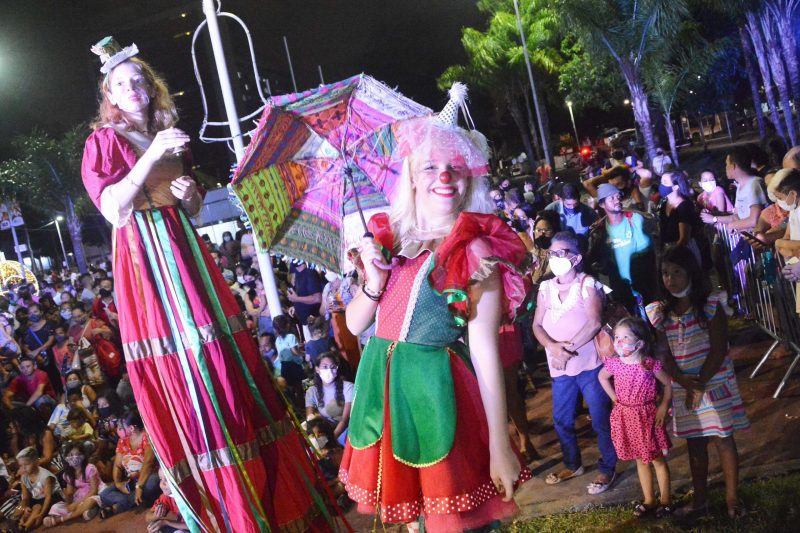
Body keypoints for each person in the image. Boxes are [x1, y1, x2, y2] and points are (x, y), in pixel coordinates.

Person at [81, 37, 329, 531]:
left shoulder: (168, 134)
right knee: (185, 357)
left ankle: (254, 485)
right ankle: (210, 499)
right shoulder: (104, 142)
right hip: (146, 256)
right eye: (121, 84)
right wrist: (151, 157)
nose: (132, 89)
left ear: (151, 87)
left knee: (218, 354)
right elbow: (113, 209)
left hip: (184, 247)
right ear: (109, 95)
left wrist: (191, 194)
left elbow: (191, 207)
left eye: (138, 80)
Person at [340, 97, 531, 531]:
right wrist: (374, 278)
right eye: (430, 166)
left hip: (436, 394)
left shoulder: (473, 249)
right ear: (410, 174)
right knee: (418, 521)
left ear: (469, 176)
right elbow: (355, 324)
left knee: (454, 520)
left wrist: (499, 445)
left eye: (455, 167)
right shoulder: (391, 238)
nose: (444, 176)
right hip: (386, 394)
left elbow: (485, 353)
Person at [646, 245, 750, 520]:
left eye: (677, 272)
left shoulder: (710, 305)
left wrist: (700, 382)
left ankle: (732, 498)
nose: (670, 279)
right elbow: (663, 352)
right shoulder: (661, 313)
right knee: (694, 443)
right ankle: (700, 500)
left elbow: (718, 349)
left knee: (723, 439)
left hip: (713, 384)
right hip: (685, 386)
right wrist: (681, 380)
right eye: (665, 273)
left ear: (691, 272)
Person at [532, 231, 617, 494]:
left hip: (590, 368)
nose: (555, 257)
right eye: (552, 253)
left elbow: (594, 322)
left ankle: (607, 468)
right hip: (560, 369)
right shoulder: (545, 288)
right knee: (562, 420)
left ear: (576, 258)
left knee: (600, 419)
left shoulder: (587, 284)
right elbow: (536, 325)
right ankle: (573, 464)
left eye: (562, 252)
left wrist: (565, 350)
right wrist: (552, 348)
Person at [598, 318, 673, 518]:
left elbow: (668, 383)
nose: (619, 341)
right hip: (627, 417)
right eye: (616, 337)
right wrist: (615, 398)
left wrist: (664, 405)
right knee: (640, 459)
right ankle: (649, 500)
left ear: (639, 342)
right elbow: (602, 377)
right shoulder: (615, 364)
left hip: (647, 417)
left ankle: (666, 501)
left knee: (656, 459)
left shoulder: (648, 364)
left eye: (625, 337)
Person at [589, 183, 657, 311]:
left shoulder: (636, 219)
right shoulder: (600, 231)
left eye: (618, 196)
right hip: (621, 287)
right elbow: (596, 260)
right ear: (602, 204)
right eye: (611, 198)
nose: (617, 200)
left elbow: (648, 252)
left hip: (644, 284)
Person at [98, 409, 160, 517]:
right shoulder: (123, 441)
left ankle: (120, 506)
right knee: (104, 494)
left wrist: (139, 487)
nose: (118, 430)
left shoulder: (147, 437)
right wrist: (118, 484)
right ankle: (137, 500)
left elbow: (148, 463)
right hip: (131, 482)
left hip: (148, 477)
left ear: (131, 428)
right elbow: (117, 465)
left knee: (152, 483)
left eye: (121, 427)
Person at [700, 147, 766, 232]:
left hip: (756, 235)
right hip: (746, 235)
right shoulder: (740, 187)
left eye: (727, 164)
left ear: (733, 166)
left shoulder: (754, 184)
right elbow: (736, 216)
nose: (725, 168)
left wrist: (731, 226)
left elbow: (754, 220)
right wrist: (713, 218)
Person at [44, 443, 103, 527]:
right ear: (66, 458)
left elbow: (94, 490)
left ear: (83, 456)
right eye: (71, 455)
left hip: (94, 493)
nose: (74, 458)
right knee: (56, 507)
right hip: (80, 495)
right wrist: (69, 504)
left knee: (90, 501)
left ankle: (62, 519)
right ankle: (84, 511)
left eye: (78, 454)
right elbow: (70, 494)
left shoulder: (90, 468)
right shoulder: (67, 474)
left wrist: (77, 503)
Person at [305, 352, 353, 447]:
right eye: (325, 367)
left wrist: (332, 439)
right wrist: (321, 442)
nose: (329, 370)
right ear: (317, 369)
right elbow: (311, 420)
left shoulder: (348, 387)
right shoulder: (312, 391)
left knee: (344, 440)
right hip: (325, 432)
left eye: (332, 367)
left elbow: (345, 419)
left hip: (347, 429)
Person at [658, 170, 705, 266]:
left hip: (684, 252)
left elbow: (684, 239)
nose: (661, 185)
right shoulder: (664, 204)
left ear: (675, 187)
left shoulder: (684, 206)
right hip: (669, 250)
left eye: (665, 182)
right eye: (661, 181)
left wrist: (671, 255)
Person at [15, 447, 63, 531]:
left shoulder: (46, 476)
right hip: (37, 499)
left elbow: (48, 497)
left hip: (53, 498)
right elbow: (25, 498)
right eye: (21, 465)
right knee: (21, 508)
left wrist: (41, 514)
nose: (23, 468)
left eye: (26, 465)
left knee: (36, 508)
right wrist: (25, 507)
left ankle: (24, 527)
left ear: (36, 462)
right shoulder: (23, 477)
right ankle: (16, 521)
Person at [21, 303, 62, 397]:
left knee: (58, 380)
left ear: (41, 312)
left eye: (35, 311)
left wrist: (37, 351)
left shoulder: (49, 324)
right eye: (30, 313)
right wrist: (30, 353)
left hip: (54, 358)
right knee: (47, 383)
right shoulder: (27, 331)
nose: (33, 314)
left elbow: (50, 340)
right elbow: (24, 345)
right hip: (40, 362)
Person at [145, 469, 188, 533]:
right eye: (160, 479)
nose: (162, 484)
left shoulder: (190, 496)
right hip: (182, 525)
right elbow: (148, 517)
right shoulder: (167, 496)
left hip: (196, 528)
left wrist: (166, 522)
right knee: (155, 526)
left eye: (167, 479)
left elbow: (197, 526)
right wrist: (156, 516)